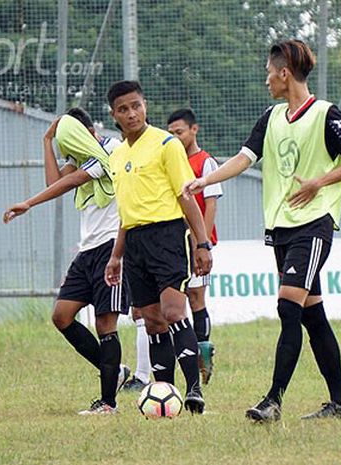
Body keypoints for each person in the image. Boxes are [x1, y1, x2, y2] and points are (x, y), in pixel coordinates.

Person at [185, 40, 341, 422]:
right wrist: (205, 181)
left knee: (288, 306)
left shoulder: (325, 114)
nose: (266, 79)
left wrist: (319, 181)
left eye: (269, 72)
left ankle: (273, 400)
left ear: (284, 73)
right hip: (282, 228)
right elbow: (243, 158)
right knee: (312, 316)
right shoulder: (271, 117)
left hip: (314, 224)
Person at [3, 107, 133, 414]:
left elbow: (71, 182)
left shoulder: (109, 150)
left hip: (111, 247)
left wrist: (29, 203)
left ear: (88, 133)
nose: (70, 153)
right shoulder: (82, 157)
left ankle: (108, 403)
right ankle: (116, 371)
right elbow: (54, 181)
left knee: (105, 323)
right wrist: (46, 140)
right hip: (87, 250)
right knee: (61, 316)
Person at [103, 80, 213, 414]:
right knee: (151, 321)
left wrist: (201, 243)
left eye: (136, 105)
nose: (132, 113)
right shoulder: (117, 156)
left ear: (145, 105)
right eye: (124, 109)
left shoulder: (166, 144)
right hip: (134, 243)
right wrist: (116, 255)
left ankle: (194, 392)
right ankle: (167, 396)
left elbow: (186, 196)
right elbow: (125, 211)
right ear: (115, 115)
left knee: (174, 312)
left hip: (167, 236)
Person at [167, 108, 222, 385]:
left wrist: (203, 241)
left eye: (179, 132)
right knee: (175, 301)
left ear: (194, 130)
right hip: (172, 241)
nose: (175, 138)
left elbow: (210, 203)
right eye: (171, 134)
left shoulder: (205, 162)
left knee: (196, 297)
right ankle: (183, 354)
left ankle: (203, 352)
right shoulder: (170, 159)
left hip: (197, 242)